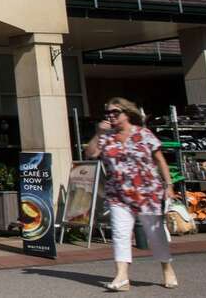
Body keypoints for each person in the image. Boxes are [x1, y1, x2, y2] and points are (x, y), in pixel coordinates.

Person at [85, 97, 178, 291]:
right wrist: (98, 133)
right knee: (120, 234)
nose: (111, 116)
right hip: (118, 193)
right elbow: (91, 154)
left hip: (147, 192)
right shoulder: (106, 136)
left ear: (127, 114)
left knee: (155, 234)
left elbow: (160, 160)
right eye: (108, 113)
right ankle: (122, 277)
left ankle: (167, 268)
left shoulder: (143, 134)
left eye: (115, 112)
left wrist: (168, 185)